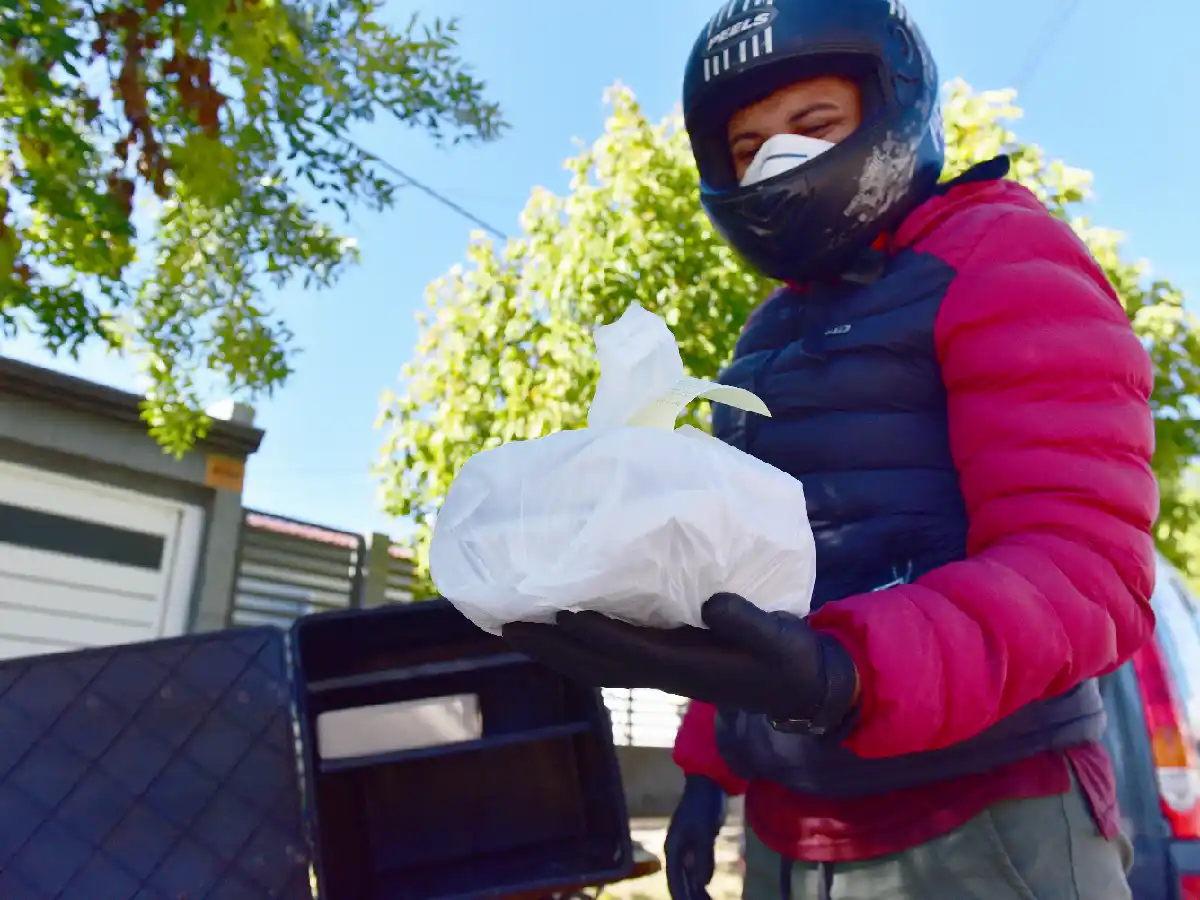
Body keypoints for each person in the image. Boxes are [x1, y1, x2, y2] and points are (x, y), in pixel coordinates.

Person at [502, 0, 1157, 897]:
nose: (776, 160)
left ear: (893, 108)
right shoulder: (762, 337)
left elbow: (1087, 570)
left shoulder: (997, 253)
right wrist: (707, 771)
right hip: (789, 830)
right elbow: (738, 583)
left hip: (984, 819)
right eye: (747, 145)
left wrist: (848, 674)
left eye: (812, 125)